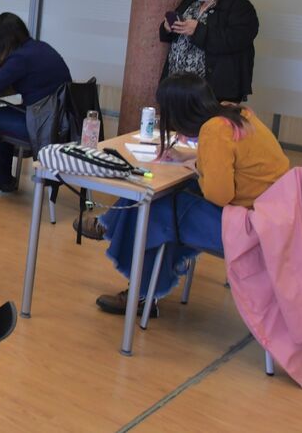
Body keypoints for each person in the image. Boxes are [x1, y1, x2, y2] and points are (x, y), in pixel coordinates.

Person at [92, 73, 289, 316]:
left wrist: (199, 166)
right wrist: (197, 160)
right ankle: (114, 232)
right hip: (276, 221)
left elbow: (219, 195)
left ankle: (141, 292)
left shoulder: (215, 130)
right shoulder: (235, 113)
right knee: (165, 198)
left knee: (157, 208)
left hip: (252, 231)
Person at [0, 12, 71, 193]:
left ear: (1, 39)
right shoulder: (40, 47)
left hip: (41, 127)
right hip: (61, 123)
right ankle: (1, 177)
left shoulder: (19, 58)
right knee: (2, 114)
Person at [160, 0, 258, 103]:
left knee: (210, 126)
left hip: (213, 89)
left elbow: (236, 39)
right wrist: (167, 28)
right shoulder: (190, 1)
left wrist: (197, 30)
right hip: (178, 84)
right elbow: (170, 34)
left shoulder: (239, 6)